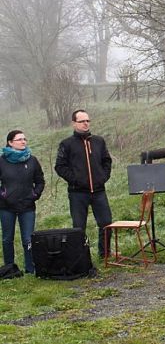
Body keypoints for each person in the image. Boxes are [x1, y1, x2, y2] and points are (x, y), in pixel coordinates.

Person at [55, 109, 113, 258]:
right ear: (74, 123)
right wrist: (76, 180)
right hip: (77, 193)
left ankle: (105, 254)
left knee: (106, 223)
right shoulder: (66, 144)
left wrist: (103, 177)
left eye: (87, 120)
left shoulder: (98, 141)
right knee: (79, 227)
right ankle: (81, 257)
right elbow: (60, 167)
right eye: (82, 121)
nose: (85, 123)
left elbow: (107, 161)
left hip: (99, 191)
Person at [0, 130, 45, 274]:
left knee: (28, 239)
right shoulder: (2, 161)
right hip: (6, 207)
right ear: (10, 142)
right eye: (19, 139)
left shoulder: (32, 160)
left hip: (27, 206)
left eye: (24, 139)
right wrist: (3, 195)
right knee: (7, 239)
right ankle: (9, 269)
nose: (23, 141)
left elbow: (40, 181)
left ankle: (30, 268)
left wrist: (35, 194)